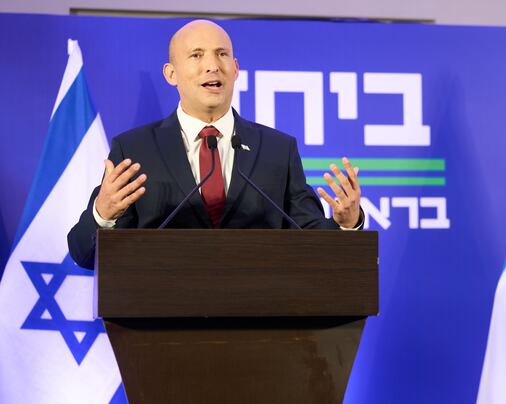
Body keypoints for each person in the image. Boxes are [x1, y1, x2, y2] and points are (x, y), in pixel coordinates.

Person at [68, 20, 363, 269]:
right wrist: (103, 214)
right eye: (196, 55)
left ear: (235, 69)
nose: (212, 66)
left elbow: (312, 239)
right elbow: (84, 254)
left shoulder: (277, 149)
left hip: (260, 323)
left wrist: (347, 225)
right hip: (161, 325)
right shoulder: (135, 150)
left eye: (222, 54)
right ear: (171, 74)